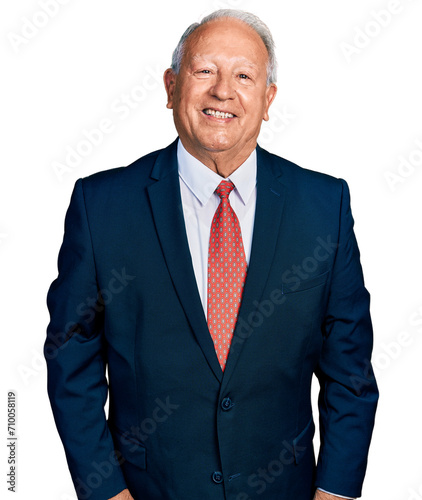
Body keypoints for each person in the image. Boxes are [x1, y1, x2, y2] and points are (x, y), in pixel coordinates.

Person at [45, 9, 378, 500]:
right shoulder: (102, 206)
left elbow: (350, 373)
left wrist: (336, 491)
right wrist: (105, 492)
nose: (223, 91)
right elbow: (71, 356)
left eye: (244, 76)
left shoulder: (324, 206)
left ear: (268, 100)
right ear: (170, 86)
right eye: (205, 71)